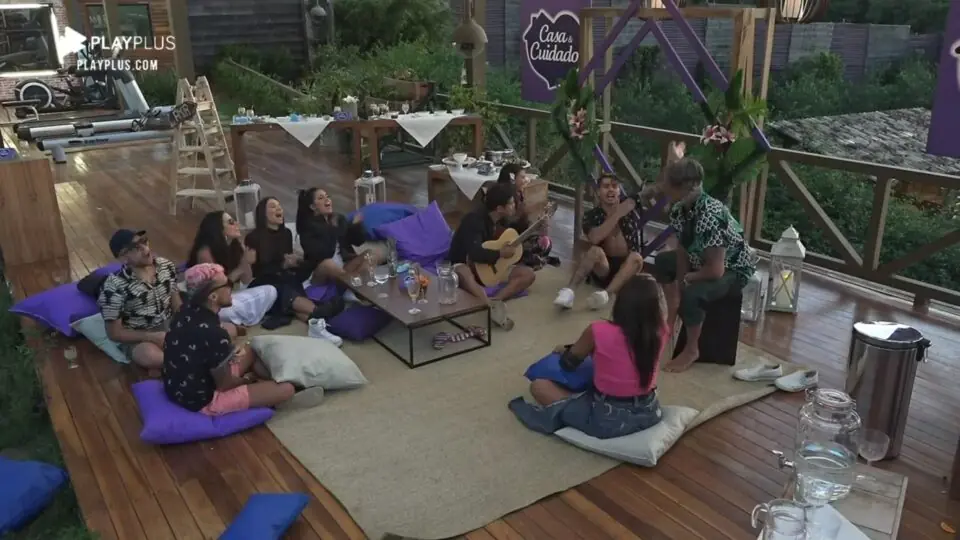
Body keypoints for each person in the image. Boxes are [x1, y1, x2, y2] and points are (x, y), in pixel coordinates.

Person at [509, 274, 667, 439]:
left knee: (539, 387)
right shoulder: (661, 331)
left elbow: (568, 364)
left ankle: (578, 405)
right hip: (649, 412)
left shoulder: (598, 330)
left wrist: (565, 349)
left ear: (621, 304)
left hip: (607, 420)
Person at [162, 263, 326, 415]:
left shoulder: (186, 310)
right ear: (213, 296)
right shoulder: (215, 334)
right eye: (227, 285)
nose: (231, 289)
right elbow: (224, 385)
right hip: (204, 400)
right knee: (287, 389)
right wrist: (246, 380)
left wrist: (228, 355)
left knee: (252, 348)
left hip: (180, 385)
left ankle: (268, 386)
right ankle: (281, 396)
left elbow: (203, 351)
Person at [650, 155, 758, 373]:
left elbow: (716, 270)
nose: (663, 186)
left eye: (667, 183)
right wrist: (680, 280)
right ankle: (671, 313)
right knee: (662, 261)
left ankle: (692, 349)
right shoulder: (680, 209)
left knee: (693, 294)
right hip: (701, 259)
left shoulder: (710, 214)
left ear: (684, 186)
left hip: (732, 268)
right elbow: (683, 248)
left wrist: (689, 279)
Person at [244, 197, 343, 333]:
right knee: (283, 288)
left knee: (291, 283)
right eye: (273, 206)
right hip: (264, 282)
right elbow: (256, 271)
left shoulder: (286, 233)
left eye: (279, 205)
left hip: (285, 276)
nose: (279, 208)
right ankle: (319, 310)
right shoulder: (253, 237)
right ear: (263, 214)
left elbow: (287, 260)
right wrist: (282, 265)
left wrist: (294, 261)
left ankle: (318, 318)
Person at [448, 182, 537, 331]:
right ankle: (489, 306)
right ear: (499, 208)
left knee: (528, 275)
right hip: (465, 263)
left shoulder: (502, 219)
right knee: (464, 274)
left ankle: (496, 300)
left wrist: (538, 225)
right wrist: (500, 253)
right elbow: (475, 253)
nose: (514, 205)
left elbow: (516, 235)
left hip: (492, 268)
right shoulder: (473, 220)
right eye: (511, 203)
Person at [553, 173, 646, 310]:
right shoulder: (591, 216)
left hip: (626, 269)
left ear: (619, 191)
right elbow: (595, 238)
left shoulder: (630, 210)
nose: (611, 189)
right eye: (606, 186)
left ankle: (605, 295)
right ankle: (569, 292)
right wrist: (618, 213)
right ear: (598, 192)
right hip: (603, 268)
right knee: (594, 251)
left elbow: (653, 189)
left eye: (614, 186)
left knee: (636, 257)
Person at [98, 229, 182, 375]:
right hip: (140, 338)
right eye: (136, 248)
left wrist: (190, 324)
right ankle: (180, 361)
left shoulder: (166, 265)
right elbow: (114, 333)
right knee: (150, 355)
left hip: (170, 325)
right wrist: (152, 337)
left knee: (217, 329)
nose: (145, 249)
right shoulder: (114, 286)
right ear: (123, 257)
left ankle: (169, 365)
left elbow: (177, 305)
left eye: (143, 241)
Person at [187, 210, 278, 327]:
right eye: (231, 222)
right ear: (218, 228)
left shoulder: (235, 246)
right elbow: (214, 290)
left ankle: (238, 320)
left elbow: (246, 281)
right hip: (212, 302)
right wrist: (241, 267)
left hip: (231, 295)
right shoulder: (205, 253)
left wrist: (247, 263)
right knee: (229, 310)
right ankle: (238, 320)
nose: (237, 224)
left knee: (271, 291)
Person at [295, 187, 368, 283]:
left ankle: (353, 285)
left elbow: (358, 242)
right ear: (313, 207)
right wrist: (332, 229)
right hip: (320, 273)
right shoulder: (307, 228)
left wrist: (356, 226)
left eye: (327, 196)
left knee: (370, 255)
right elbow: (324, 254)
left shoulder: (338, 219)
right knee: (328, 264)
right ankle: (351, 285)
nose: (327, 199)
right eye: (321, 198)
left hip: (342, 267)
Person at [495, 163, 555, 270]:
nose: (526, 180)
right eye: (522, 177)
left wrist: (541, 222)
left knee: (545, 242)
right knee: (541, 245)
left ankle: (526, 261)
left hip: (517, 236)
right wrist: (524, 214)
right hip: (503, 241)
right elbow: (509, 223)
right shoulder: (504, 197)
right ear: (512, 179)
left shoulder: (519, 194)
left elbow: (523, 225)